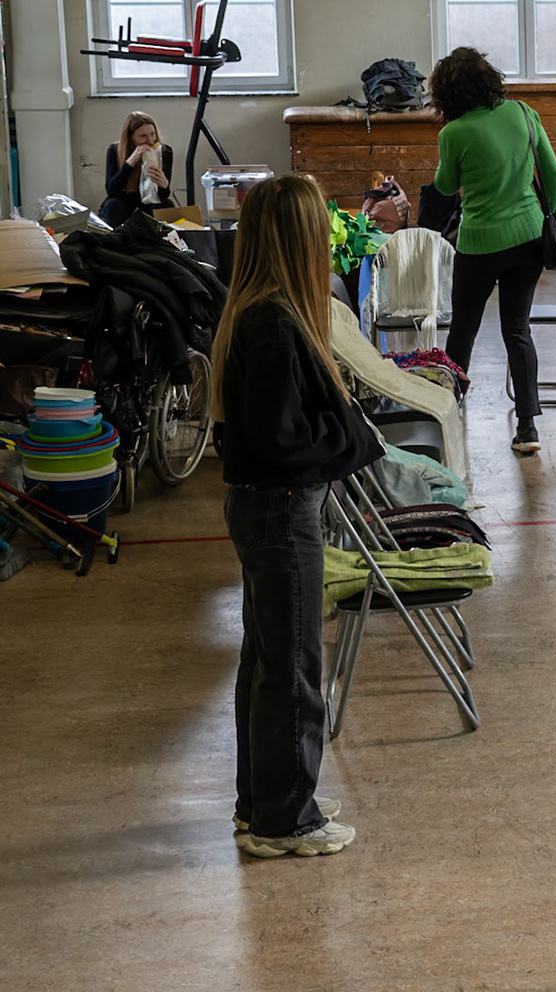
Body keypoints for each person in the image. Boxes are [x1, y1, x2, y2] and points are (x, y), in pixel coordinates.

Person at [210, 174, 384, 859]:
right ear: (299, 239)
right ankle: (286, 821)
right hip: (281, 510)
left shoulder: (258, 312)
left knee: (267, 657)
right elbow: (281, 441)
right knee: (292, 666)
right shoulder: (276, 325)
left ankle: (263, 800)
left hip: (264, 506)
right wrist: (349, 434)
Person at [430, 47, 556, 455]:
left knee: (463, 331)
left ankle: (446, 419)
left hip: (479, 245)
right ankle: (528, 428)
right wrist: (547, 218)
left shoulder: (453, 133)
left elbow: (446, 187)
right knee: (517, 330)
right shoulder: (523, 112)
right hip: (527, 238)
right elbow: (554, 172)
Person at [101, 111, 175, 227]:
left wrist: (164, 185)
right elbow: (112, 191)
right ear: (131, 138)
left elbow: (163, 195)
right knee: (113, 205)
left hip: (149, 203)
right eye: (143, 136)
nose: (150, 140)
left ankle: (158, 237)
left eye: (152, 134)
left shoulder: (165, 152)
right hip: (124, 203)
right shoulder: (115, 151)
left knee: (165, 204)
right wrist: (130, 162)